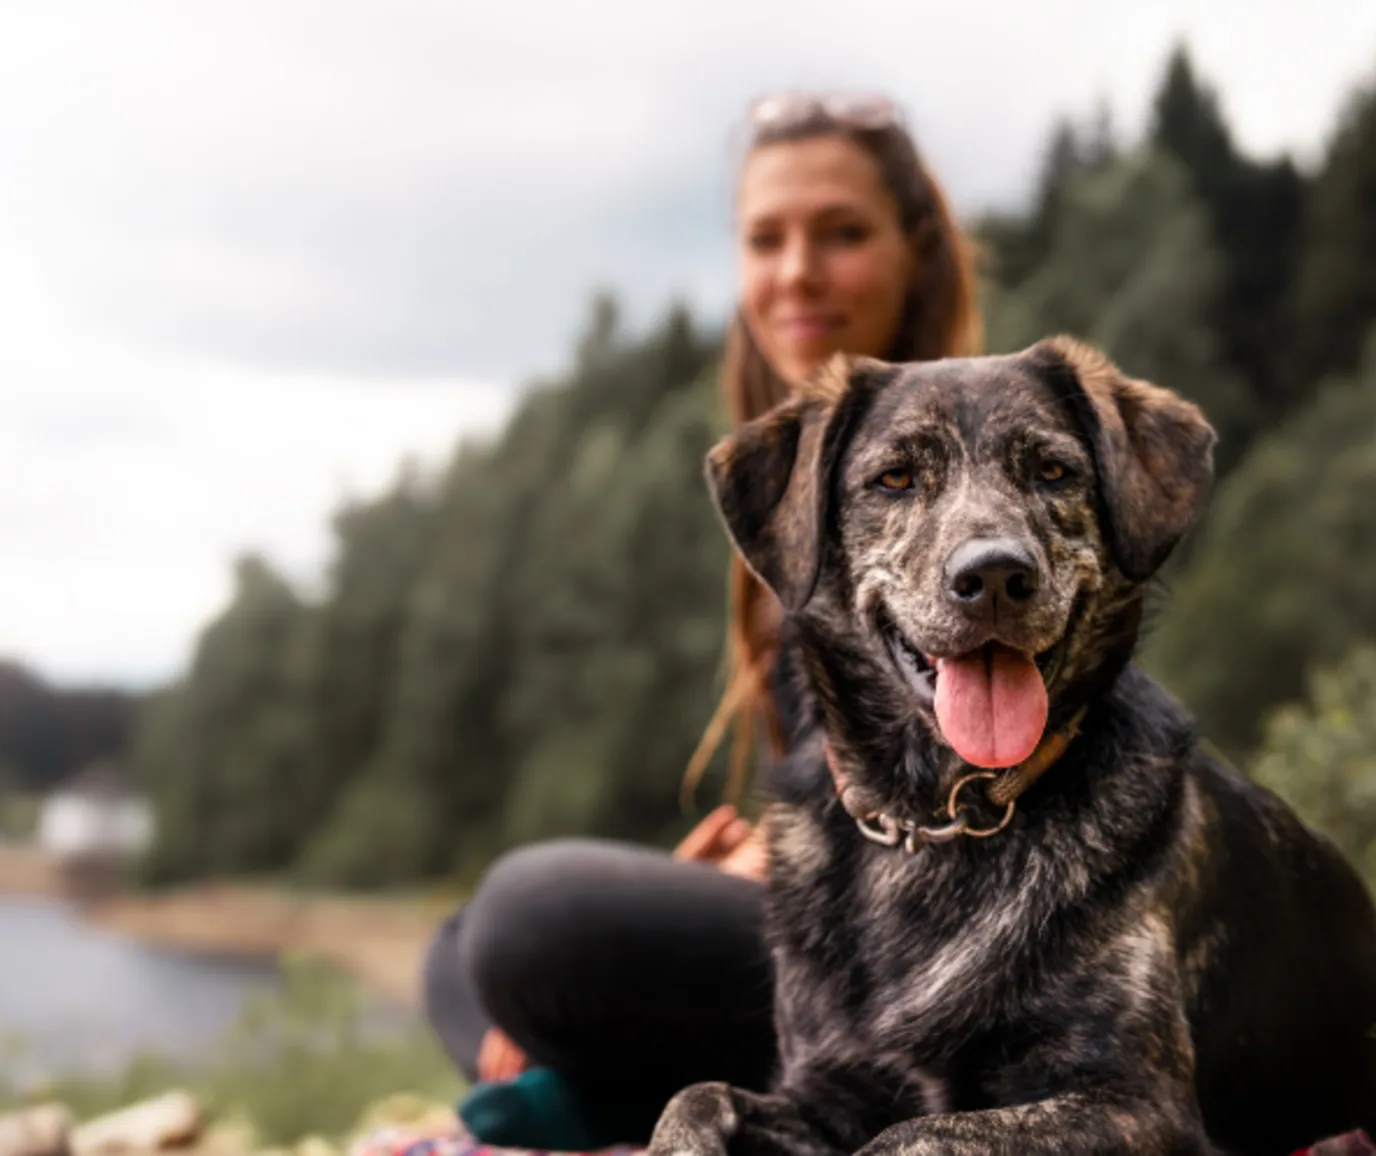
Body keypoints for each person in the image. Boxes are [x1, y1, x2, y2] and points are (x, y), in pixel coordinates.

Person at [416, 91, 985, 1152]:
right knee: (457, 947)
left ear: (916, 252)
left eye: (841, 232)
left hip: (944, 936)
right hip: (832, 920)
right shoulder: (798, 485)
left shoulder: (960, 475)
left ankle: (574, 1109)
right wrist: (735, 867)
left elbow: (979, 789)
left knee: (530, 924)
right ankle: (604, 1099)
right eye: (764, 239)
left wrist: (772, 860)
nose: (795, 270)